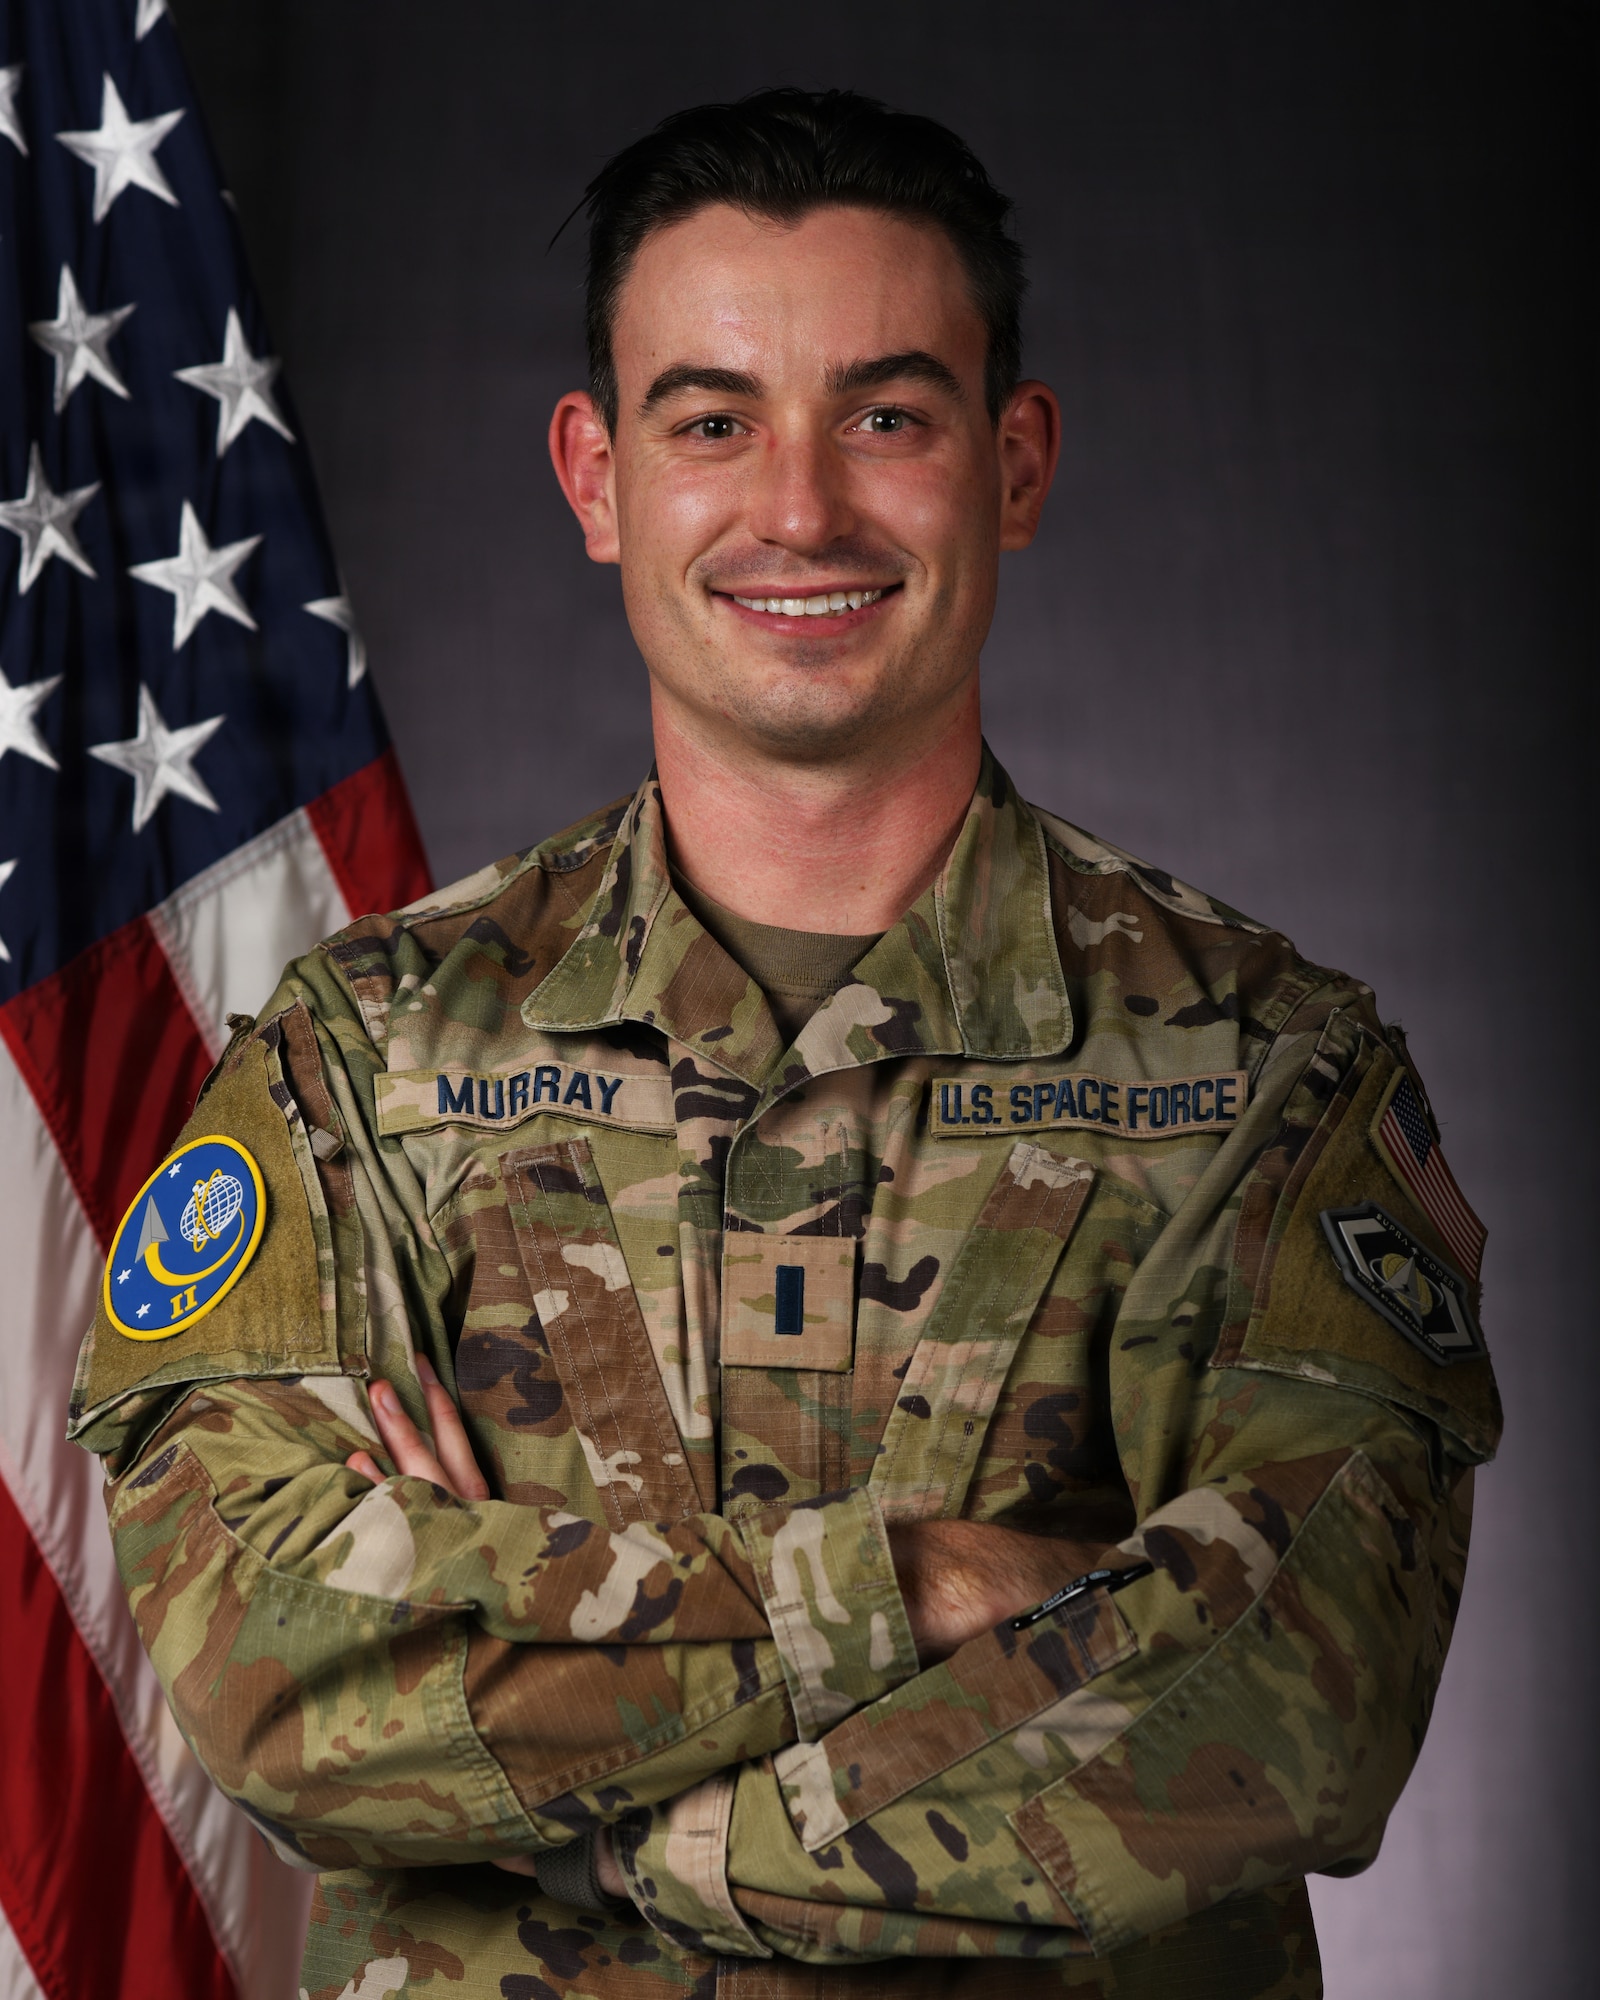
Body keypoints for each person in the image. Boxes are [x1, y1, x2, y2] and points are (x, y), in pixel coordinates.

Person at [70, 89, 1500, 2000]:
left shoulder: (1264, 1078)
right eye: (714, 420)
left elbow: (1285, 1708)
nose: (801, 506)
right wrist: (926, 1590)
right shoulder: (363, 1064)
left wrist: (608, 1820)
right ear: (597, 477)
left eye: (887, 416)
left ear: (1016, 462)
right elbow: (282, 1675)